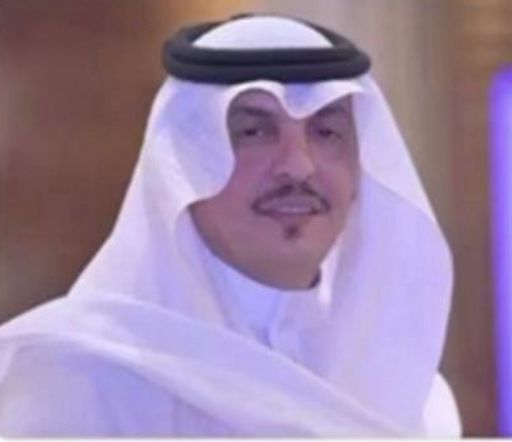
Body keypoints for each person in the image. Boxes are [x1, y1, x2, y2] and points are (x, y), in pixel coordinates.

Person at [0, 13, 461, 437]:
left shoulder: (415, 399)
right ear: (183, 168)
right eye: (254, 132)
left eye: (326, 133)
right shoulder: (79, 380)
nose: (299, 166)